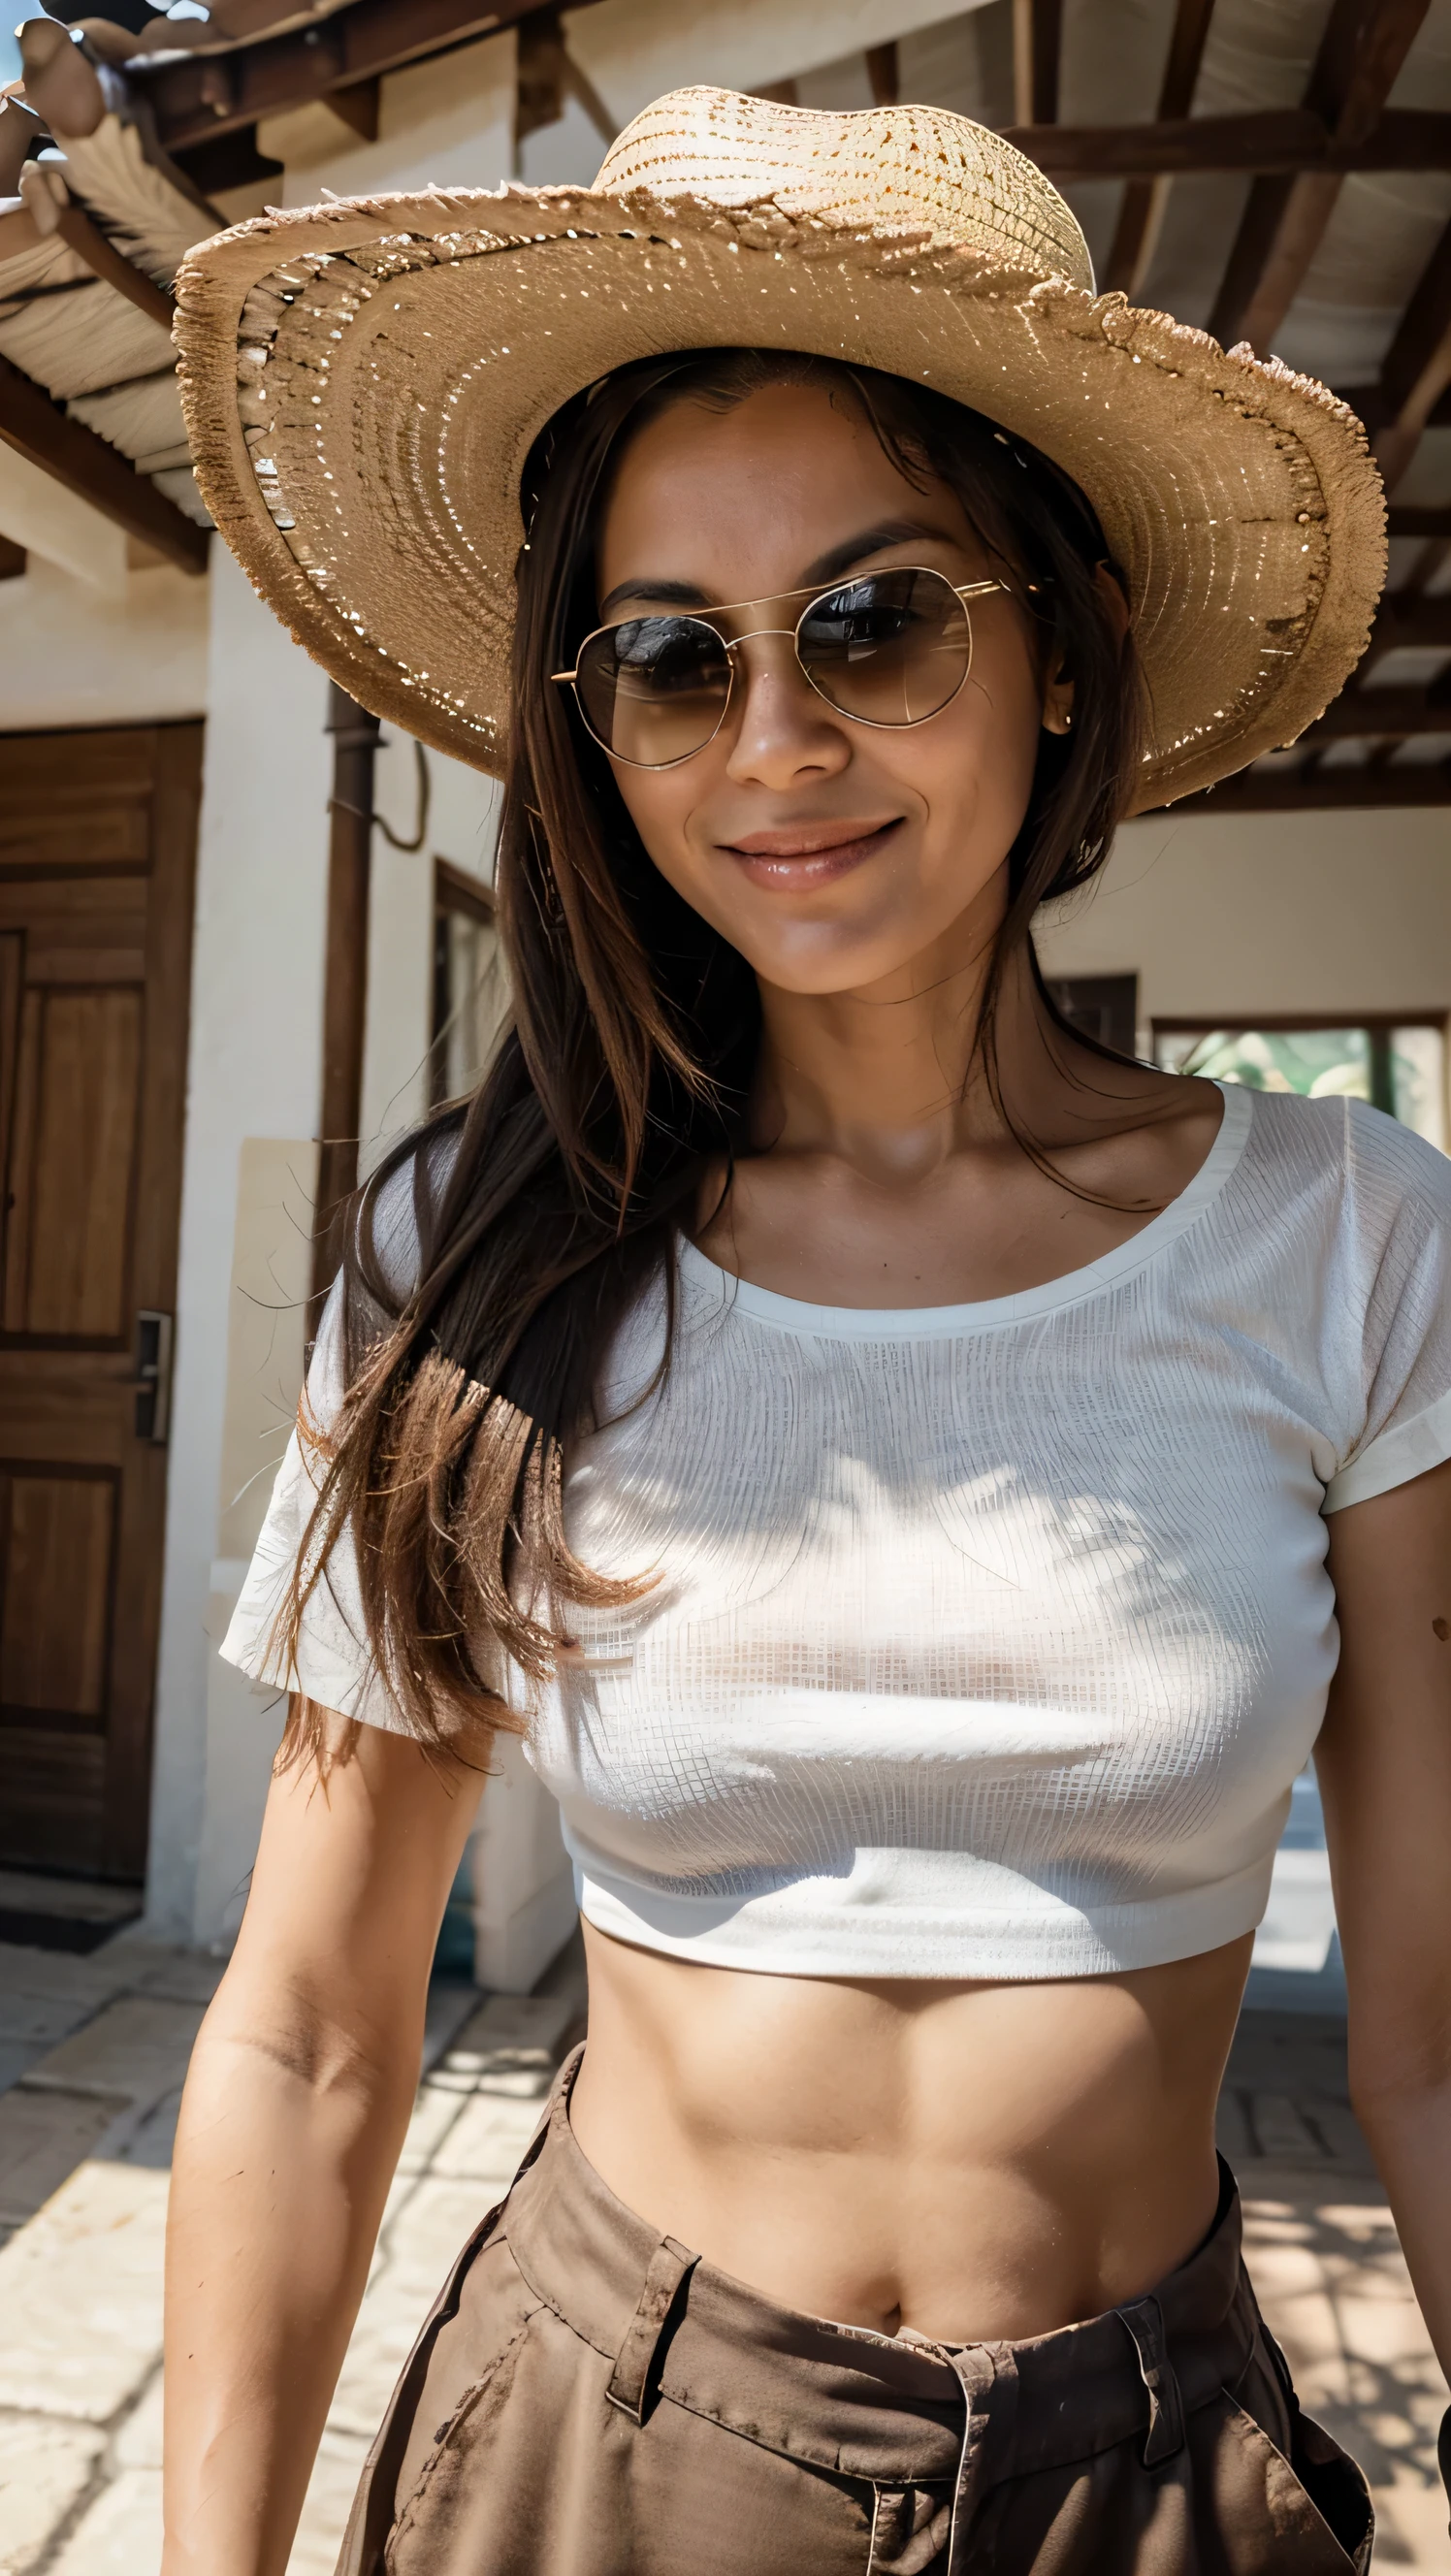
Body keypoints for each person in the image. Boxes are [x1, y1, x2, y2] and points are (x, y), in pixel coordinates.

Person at [163, 85, 1448, 2576]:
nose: (773, 741)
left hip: (1156, 2474)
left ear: (1054, 654)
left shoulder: (1347, 1236)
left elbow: (1431, 2021)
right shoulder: (481, 1247)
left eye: (871, 618)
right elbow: (315, 2030)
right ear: (591, 722)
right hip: (606, 2450)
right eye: (668, 656)